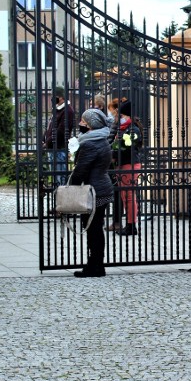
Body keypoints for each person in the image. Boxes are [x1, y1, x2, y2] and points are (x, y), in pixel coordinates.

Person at [68, 108, 114, 277]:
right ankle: (96, 264)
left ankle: (95, 266)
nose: (81, 124)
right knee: (96, 228)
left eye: (84, 122)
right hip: (102, 188)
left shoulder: (90, 143)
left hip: (94, 191)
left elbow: (81, 171)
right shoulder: (102, 140)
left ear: (91, 125)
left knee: (93, 229)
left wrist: (71, 189)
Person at [112, 99, 143, 236]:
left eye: (122, 116)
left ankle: (131, 225)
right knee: (125, 196)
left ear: (127, 116)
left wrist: (113, 152)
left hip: (129, 164)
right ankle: (129, 224)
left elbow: (127, 148)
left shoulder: (133, 129)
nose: (120, 118)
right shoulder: (124, 128)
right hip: (122, 164)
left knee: (129, 196)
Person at [42, 87, 76, 185]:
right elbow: (50, 126)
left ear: (61, 97)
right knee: (55, 176)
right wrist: (44, 138)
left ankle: (62, 198)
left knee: (60, 177)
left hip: (60, 147)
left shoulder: (67, 111)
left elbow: (61, 131)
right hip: (52, 146)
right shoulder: (57, 109)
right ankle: (57, 196)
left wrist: (48, 141)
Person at [105, 97, 124, 231]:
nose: (111, 113)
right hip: (115, 159)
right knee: (117, 192)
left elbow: (112, 139)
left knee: (118, 192)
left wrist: (108, 150)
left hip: (117, 161)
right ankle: (116, 221)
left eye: (112, 110)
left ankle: (118, 222)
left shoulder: (120, 122)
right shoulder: (118, 121)